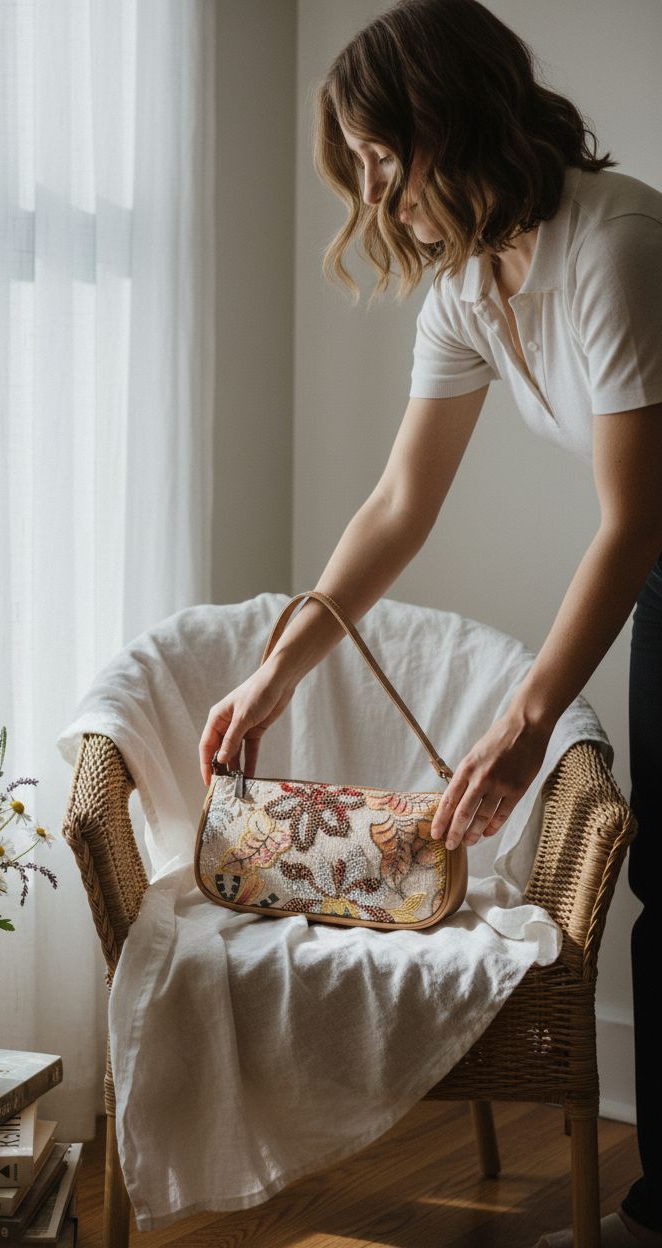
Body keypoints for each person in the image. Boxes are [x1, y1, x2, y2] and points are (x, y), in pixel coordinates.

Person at [199, 0, 662, 1243]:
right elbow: (400, 503)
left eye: (379, 153)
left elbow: (627, 521)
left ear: (447, 125)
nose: (372, 185)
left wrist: (522, 728)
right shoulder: (468, 287)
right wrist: (281, 668)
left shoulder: (614, 244)